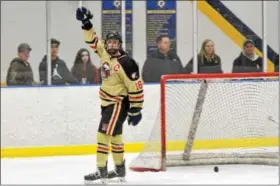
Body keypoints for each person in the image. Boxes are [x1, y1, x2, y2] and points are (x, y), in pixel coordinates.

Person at [76, 7, 144, 183]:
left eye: (116, 43)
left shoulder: (126, 62)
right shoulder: (104, 52)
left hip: (117, 103)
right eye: (110, 42)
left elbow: (135, 86)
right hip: (107, 102)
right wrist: (86, 23)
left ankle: (101, 170)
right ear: (107, 44)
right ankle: (120, 170)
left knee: (102, 134)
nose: (112, 45)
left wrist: (136, 109)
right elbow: (92, 40)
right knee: (115, 136)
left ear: (120, 45)